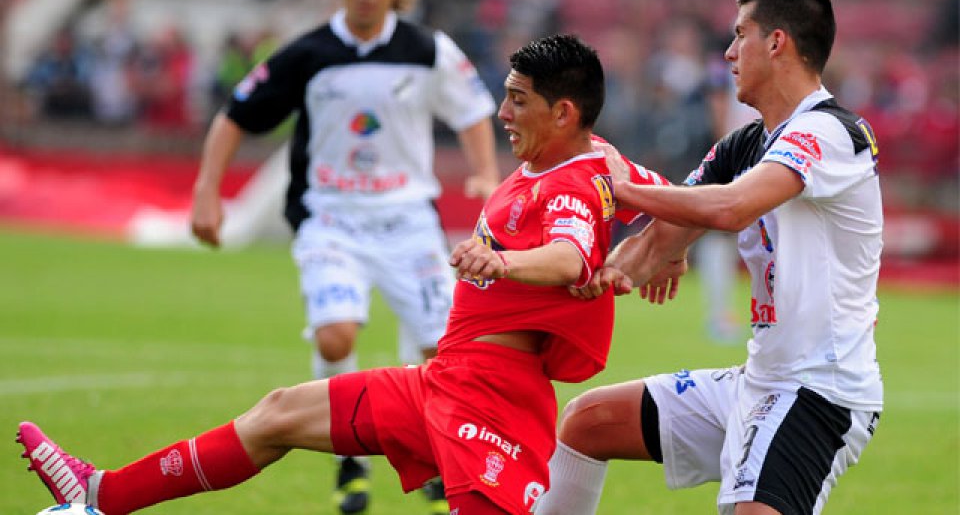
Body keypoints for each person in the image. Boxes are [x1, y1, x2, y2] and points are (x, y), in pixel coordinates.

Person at [17, 34, 672, 515]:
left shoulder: (572, 185)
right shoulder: (603, 163)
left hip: (491, 403)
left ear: (563, 114)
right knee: (277, 414)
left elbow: (568, 256)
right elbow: (681, 194)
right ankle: (101, 494)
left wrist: (505, 261)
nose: (502, 114)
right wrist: (664, 245)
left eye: (518, 101)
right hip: (445, 379)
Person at [536, 0, 884, 514]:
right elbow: (649, 248)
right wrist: (581, 276)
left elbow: (730, 208)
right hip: (760, 380)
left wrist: (623, 187)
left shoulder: (831, 132)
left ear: (777, 43)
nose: (727, 52)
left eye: (739, 34)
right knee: (588, 422)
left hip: (816, 392)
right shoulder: (746, 143)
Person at [189, 0, 500, 512]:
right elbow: (236, 115)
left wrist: (485, 174)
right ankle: (349, 456)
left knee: (439, 349)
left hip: (407, 221)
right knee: (335, 337)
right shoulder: (307, 53)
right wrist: (206, 192)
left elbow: (472, 109)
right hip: (330, 217)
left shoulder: (427, 49)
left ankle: (425, 453)